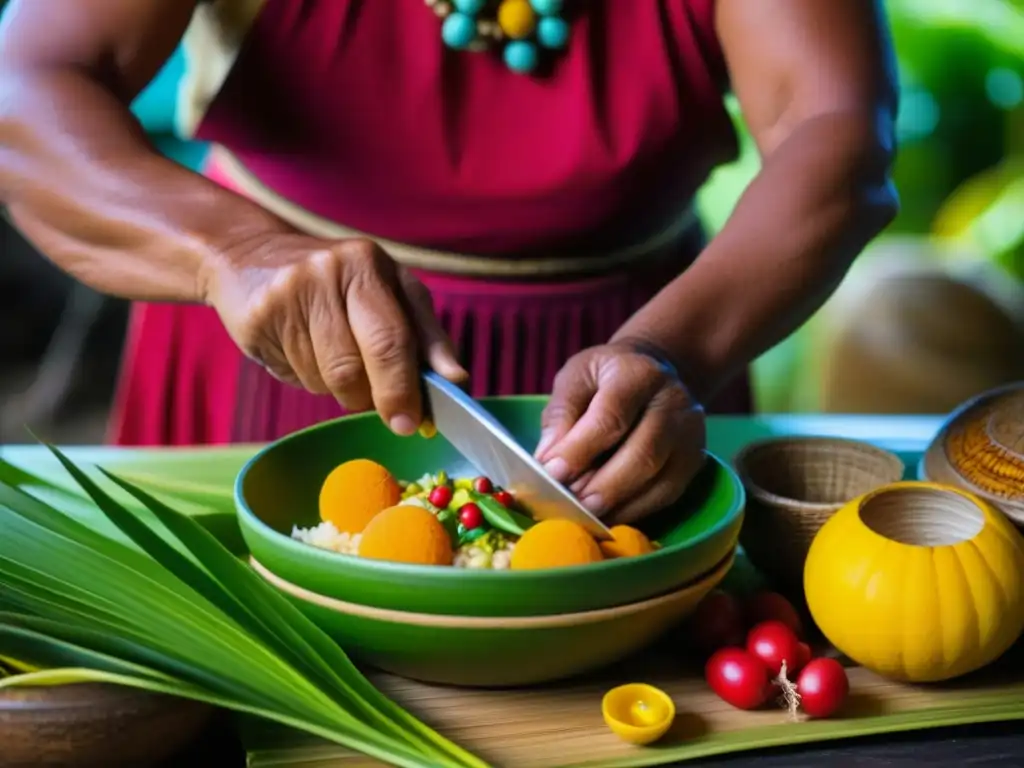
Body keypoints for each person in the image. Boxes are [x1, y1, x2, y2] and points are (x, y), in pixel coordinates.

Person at [0, 0, 898, 525]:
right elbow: (27, 89)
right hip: (269, 359)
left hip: (636, 391)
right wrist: (236, 252)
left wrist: (673, 355)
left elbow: (837, 131)